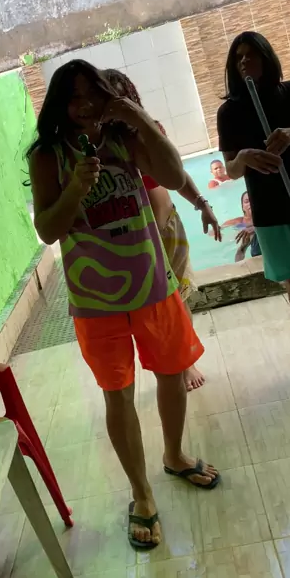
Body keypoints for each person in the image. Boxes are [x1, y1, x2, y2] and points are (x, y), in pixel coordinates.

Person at [28, 59, 220, 551]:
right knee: (119, 396)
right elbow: (48, 230)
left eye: (91, 92)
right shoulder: (48, 155)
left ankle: (174, 455)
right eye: (72, 96)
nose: (84, 104)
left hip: (154, 286)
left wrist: (135, 116)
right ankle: (141, 494)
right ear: (59, 105)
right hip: (97, 303)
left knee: (172, 375)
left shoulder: (124, 137)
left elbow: (173, 174)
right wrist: (75, 188)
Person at [103, 68, 221, 391]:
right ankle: (174, 361)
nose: (116, 103)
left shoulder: (150, 130)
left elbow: (176, 173)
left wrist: (202, 204)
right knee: (160, 307)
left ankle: (186, 360)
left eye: (121, 95)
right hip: (139, 239)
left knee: (180, 298)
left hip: (168, 227)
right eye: (109, 97)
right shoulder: (105, 146)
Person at [217, 31, 290, 378]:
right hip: (268, 212)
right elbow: (231, 170)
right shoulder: (229, 112)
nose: (244, 62)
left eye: (251, 54)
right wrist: (244, 158)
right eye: (238, 57)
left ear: (266, 58)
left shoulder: (289, 93)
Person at [222, 191, 262, 262]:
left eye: (253, 200)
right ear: (242, 207)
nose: (250, 203)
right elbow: (241, 250)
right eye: (246, 201)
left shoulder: (253, 229)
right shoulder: (240, 223)